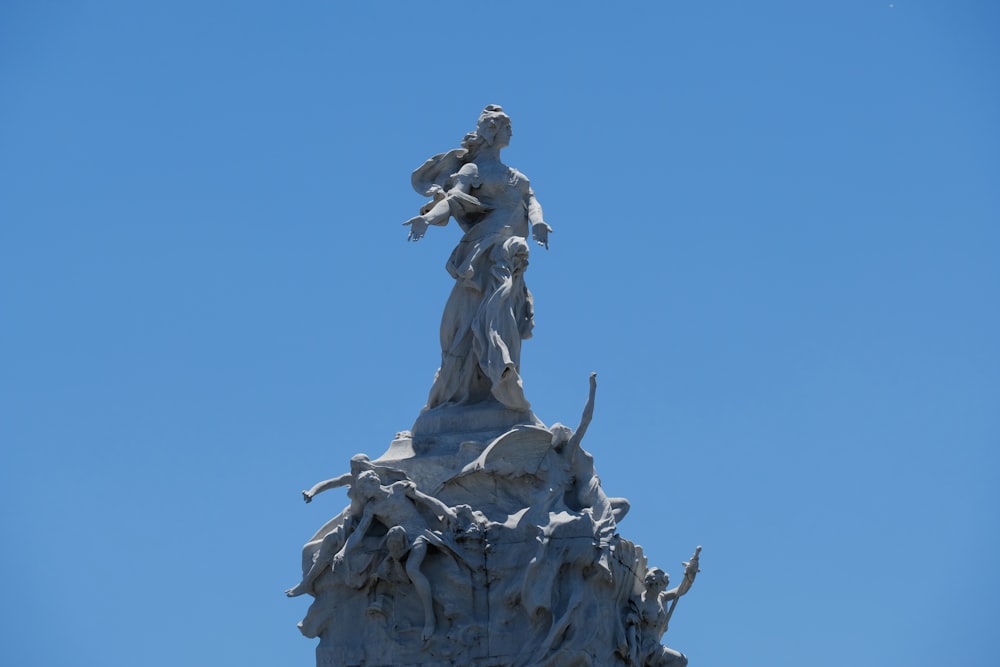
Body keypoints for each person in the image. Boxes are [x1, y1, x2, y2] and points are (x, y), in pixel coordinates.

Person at [403, 105, 552, 412]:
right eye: (505, 126)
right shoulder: (473, 172)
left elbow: (532, 202)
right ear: (490, 131)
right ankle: (464, 390)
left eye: (510, 126)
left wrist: (538, 222)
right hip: (481, 257)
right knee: (468, 325)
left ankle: (503, 386)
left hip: (509, 258)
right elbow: (454, 200)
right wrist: (427, 219)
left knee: (504, 322)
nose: (510, 131)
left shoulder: (518, 177)